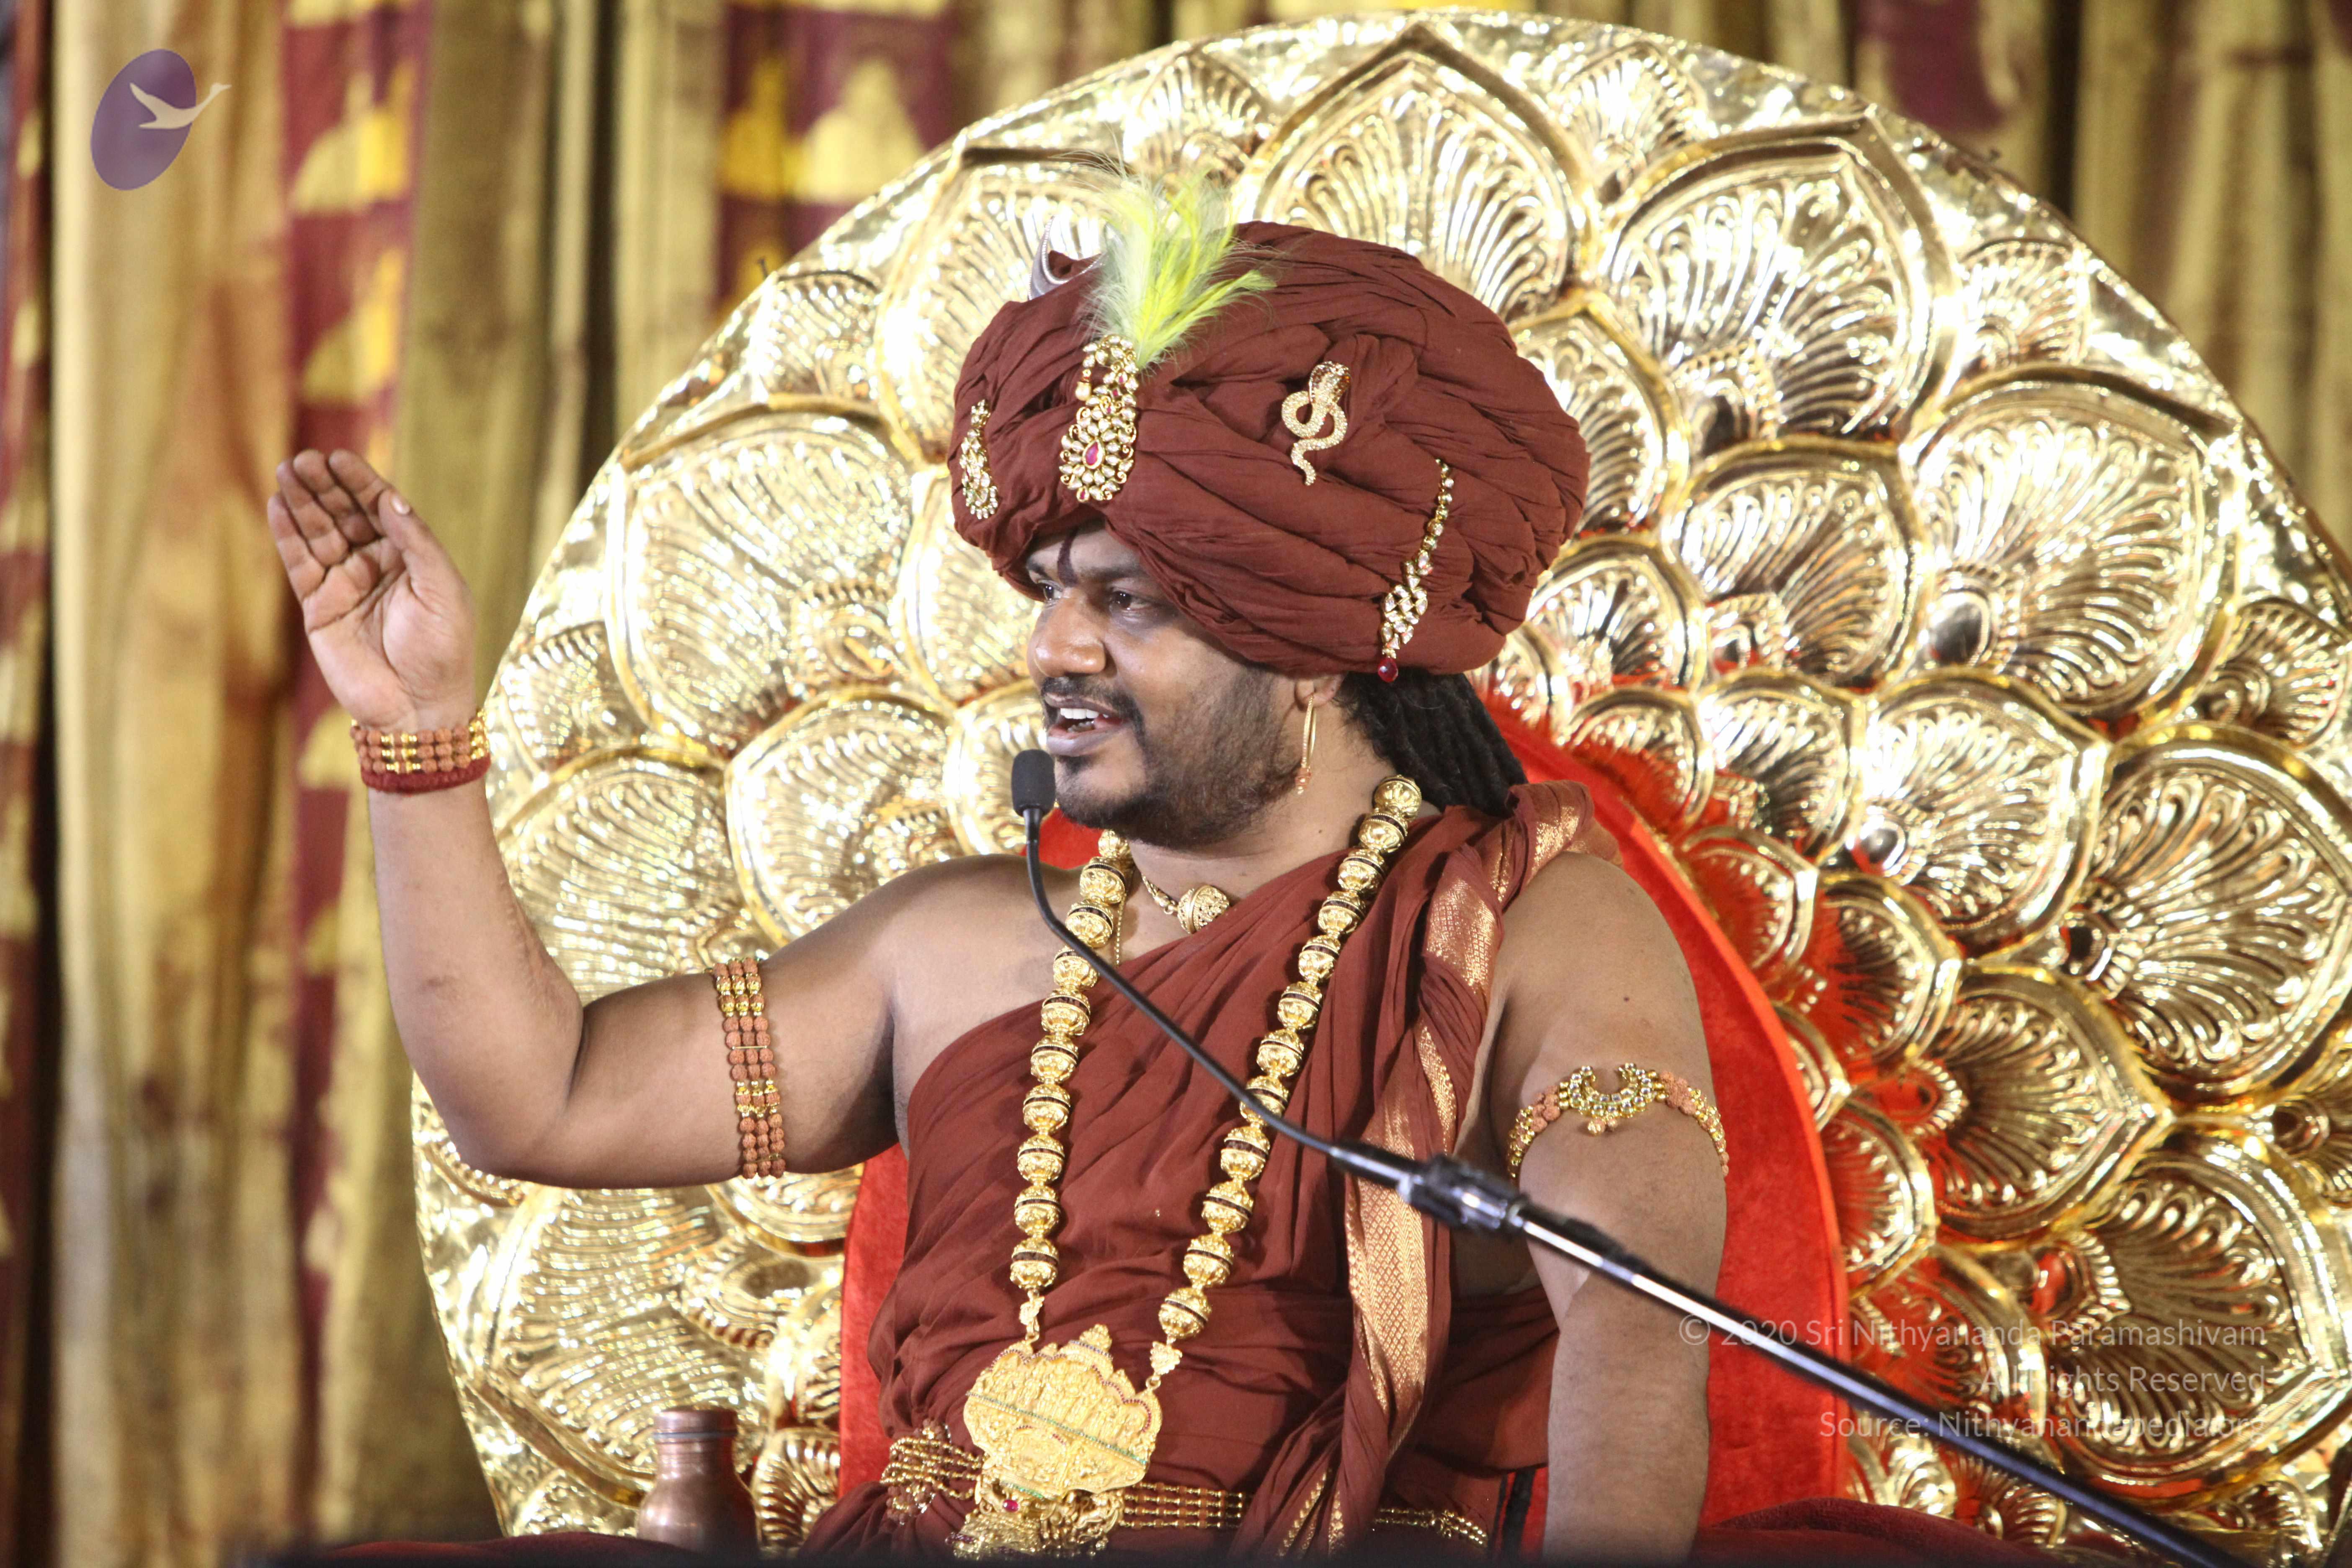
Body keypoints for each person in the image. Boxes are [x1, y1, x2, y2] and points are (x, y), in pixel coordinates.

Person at [265, 179, 1727, 1559]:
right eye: (1049, 590)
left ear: (1307, 648)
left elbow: (1639, 1329)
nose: (1053, 647)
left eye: (1127, 601)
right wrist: (417, 731)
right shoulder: (950, 946)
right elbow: (546, 1099)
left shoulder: (1523, 927)